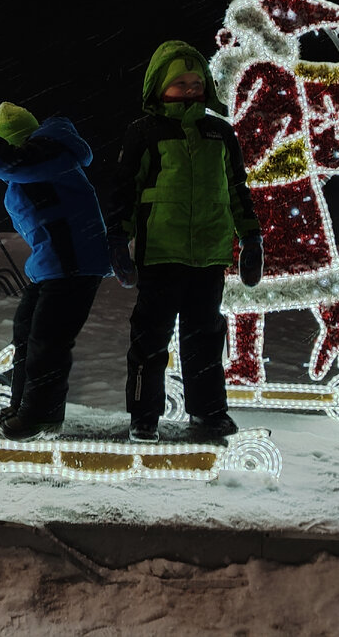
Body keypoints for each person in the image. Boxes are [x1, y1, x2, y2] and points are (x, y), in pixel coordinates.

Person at [108, 40, 262, 443]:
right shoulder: (144, 132)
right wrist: (117, 239)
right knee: (150, 338)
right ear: (160, 85)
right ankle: (144, 416)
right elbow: (125, 190)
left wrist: (251, 237)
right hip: (161, 253)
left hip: (210, 255)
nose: (191, 88)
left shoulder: (220, 133)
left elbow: (237, 189)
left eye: (197, 81)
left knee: (205, 338)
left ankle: (208, 413)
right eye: (180, 82)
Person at [0, 102, 110, 441]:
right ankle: (23, 407)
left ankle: (41, 416)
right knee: (26, 330)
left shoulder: (48, 154)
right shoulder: (38, 164)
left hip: (74, 265)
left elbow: (10, 164)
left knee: (48, 341)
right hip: (54, 266)